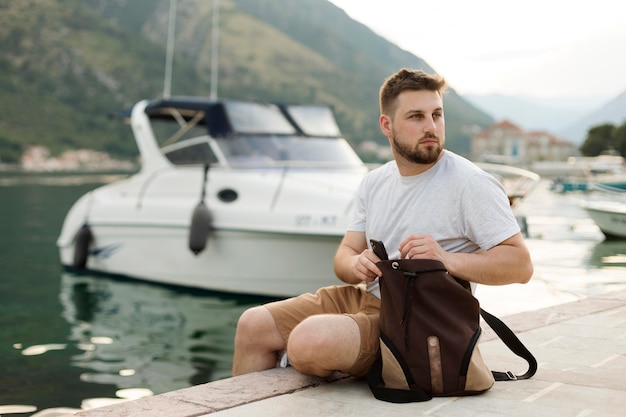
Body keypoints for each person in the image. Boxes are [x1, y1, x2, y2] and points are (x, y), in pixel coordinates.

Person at [232, 68, 533, 378]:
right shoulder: (374, 182)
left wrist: (445, 259)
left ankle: (361, 359)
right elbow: (344, 255)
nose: (431, 126)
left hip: (419, 320)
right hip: (367, 298)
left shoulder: (471, 184)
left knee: (310, 340)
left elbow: (521, 265)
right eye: (416, 116)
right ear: (386, 125)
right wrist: (356, 264)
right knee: (252, 325)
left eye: (437, 115)